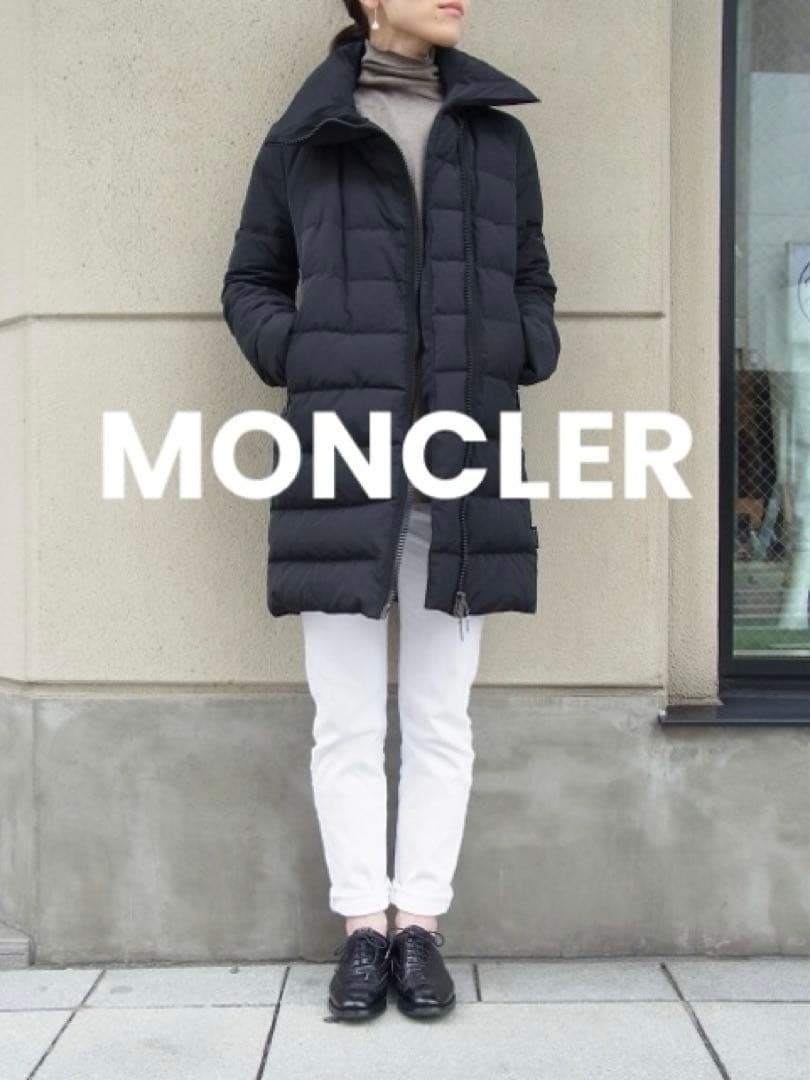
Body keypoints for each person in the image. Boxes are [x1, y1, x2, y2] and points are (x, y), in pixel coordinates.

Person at [220, 0, 560, 1022]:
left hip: (462, 463)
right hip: (342, 461)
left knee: (441, 716)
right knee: (348, 718)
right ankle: (362, 931)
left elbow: (531, 277)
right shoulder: (307, 133)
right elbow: (250, 281)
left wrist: (522, 344)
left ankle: (421, 927)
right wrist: (304, 352)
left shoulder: (496, 137)